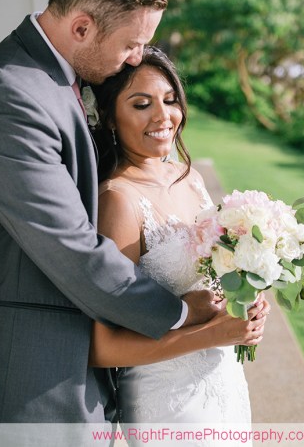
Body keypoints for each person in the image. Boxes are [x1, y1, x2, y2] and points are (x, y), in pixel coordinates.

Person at [0, 0, 242, 435]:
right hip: (34, 377)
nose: (134, 59)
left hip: (81, 373)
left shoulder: (53, 80)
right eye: (131, 44)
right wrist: (177, 314)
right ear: (81, 27)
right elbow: (72, 247)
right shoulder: (4, 97)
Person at [87, 46, 257, 434]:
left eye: (170, 100)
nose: (163, 116)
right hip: (168, 403)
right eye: (142, 104)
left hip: (223, 383)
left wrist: (245, 297)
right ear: (111, 118)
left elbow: (212, 276)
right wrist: (212, 333)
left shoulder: (190, 178)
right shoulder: (118, 201)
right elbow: (103, 346)